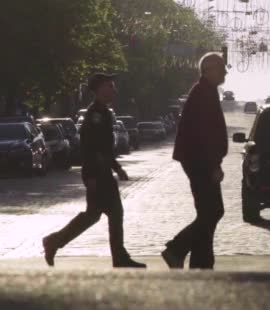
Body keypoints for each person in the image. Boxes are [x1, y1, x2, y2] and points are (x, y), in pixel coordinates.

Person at [42, 73, 146, 268]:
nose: (113, 90)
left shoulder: (104, 112)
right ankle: (55, 241)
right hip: (97, 173)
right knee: (108, 213)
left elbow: (105, 149)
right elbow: (90, 147)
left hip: (102, 171)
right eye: (109, 86)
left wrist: (117, 168)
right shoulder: (95, 114)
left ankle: (55, 241)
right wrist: (91, 175)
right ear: (98, 90)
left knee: (97, 214)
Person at [161, 52, 228, 269]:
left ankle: (201, 262)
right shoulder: (203, 93)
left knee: (207, 212)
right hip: (200, 161)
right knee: (213, 211)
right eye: (221, 67)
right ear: (209, 70)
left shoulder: (205, 91)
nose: (225, 71)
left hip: (197, 159)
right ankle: (176, 249)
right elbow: (205, 134)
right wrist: (214, 164)